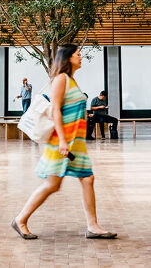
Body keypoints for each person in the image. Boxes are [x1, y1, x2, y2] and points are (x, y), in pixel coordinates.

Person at [11, 44, 116, 240]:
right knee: (52, 184)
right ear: (67, 58)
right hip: (62, 141)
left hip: (75, 142)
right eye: (77, 54)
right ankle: (21, 219)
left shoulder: (71, 81)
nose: (81, 57)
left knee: (87, 178)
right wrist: (61, 140)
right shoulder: (61, 80)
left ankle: (93, 226)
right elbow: (56, 110)